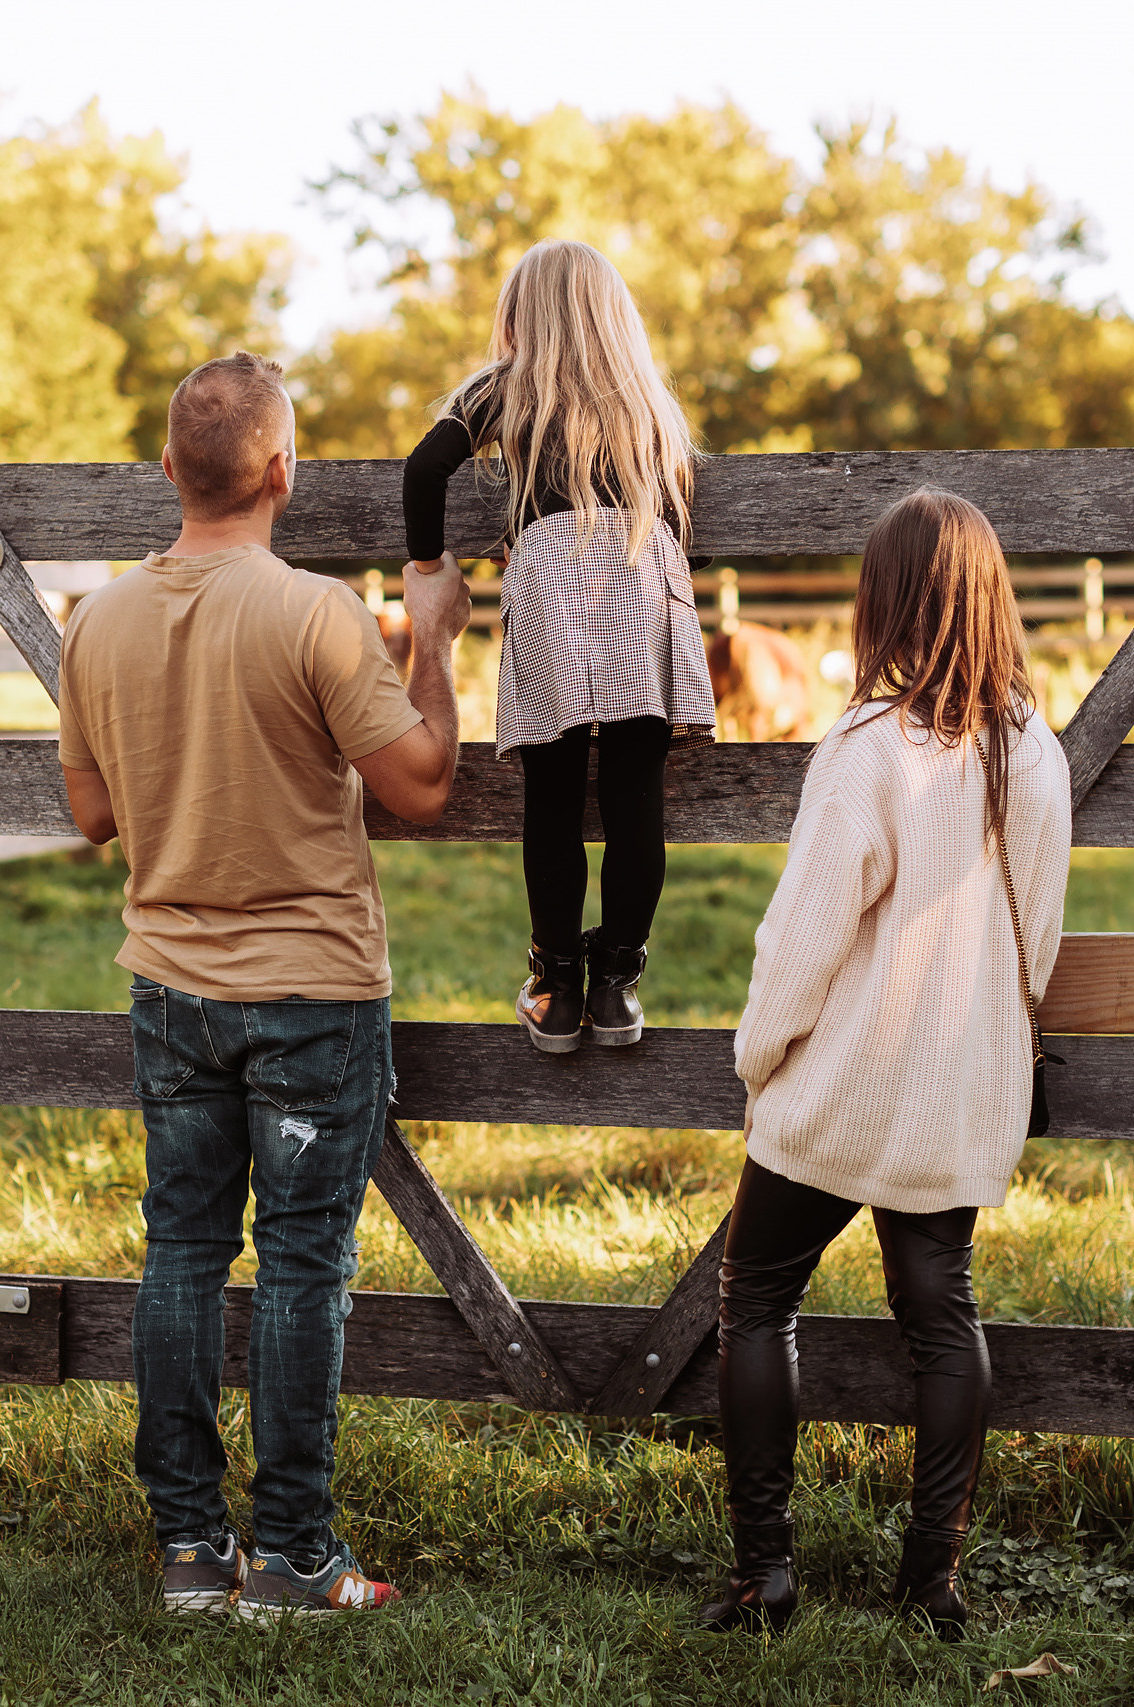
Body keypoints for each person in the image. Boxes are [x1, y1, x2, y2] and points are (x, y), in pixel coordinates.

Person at [56, 351, 471, 1621]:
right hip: (312, 990)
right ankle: (292, 1556)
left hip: (171, 987)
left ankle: (191, 1551)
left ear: (168, 469)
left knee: (181, 1252)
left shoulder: (96, 624)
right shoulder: (316, 614)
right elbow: (421, 785)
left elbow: (91, 814)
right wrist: (436, 640)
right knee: (301, 1267)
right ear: (283, 472)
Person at [698, 488, 1070, 1639]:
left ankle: (765, 1575)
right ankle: (931, 1585)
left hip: (847, 1087)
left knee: (757, 1296)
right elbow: (1042, 936)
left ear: (885, 600)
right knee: (941, 1313)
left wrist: (759, 1060)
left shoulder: (870, 746)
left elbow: (803, 936)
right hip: (959, 1087)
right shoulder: (1034, 750)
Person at [401, 238, 717, 1055]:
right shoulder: (646, 400)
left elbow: (425, 470)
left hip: (550, 587)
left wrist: (431, 567)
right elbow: (681, 519)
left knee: (552, 793)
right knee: (635, 794)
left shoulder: (506, 386)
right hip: (642, 583)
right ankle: (617, 983)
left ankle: (556, 984)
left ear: (520, 315)